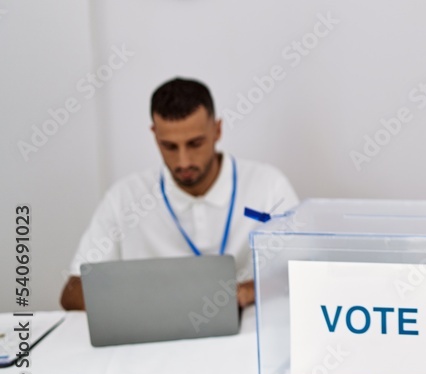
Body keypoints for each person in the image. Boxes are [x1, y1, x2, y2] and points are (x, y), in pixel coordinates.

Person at [60, 78, 299, 311]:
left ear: (217, 130)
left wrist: (252, 289)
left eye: (195, 143)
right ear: (154, 135)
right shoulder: (125, 197)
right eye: (169, 146)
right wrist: (161, 300)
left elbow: (305, 269)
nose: (183, 161)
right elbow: (72, 292)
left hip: (243, 340)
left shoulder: (268, 186)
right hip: (156, 342)